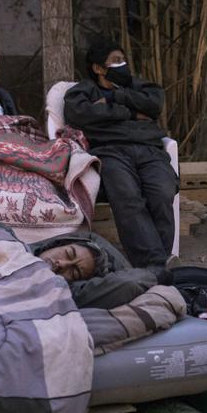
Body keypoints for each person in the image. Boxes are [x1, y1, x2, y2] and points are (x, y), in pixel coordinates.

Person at [63, 37, 178, 271]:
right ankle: (155, 264)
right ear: (98, 68)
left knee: (162, 192)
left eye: (123, 60)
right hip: (111, 150)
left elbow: (154, 104)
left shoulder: (138, 86)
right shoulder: (84, 90)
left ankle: (159, 259)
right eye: (115, 61)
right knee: (127, 196)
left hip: (149, 149)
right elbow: (79, 114)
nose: (122, 65)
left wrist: (115, 98)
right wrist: (132, 114)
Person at [31, 231, 163, 309]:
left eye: (74, 272)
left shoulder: (60, 295)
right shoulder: (19, 248)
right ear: (57, 244)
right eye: (68, 253)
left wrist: (157, 274)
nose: (62, 264)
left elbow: (129, 282)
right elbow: (90, 236)